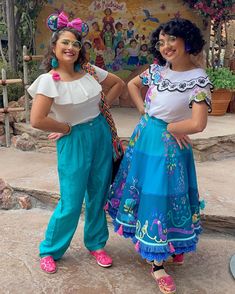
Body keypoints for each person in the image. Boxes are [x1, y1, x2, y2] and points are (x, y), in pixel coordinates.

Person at [107, 18, 212, 294]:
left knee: (166, 195)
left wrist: (175, 127)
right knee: (150, 193)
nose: (165, 46)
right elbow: (131, 85)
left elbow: (198, 124)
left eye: (171, 40)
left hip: (169, 147)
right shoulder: (157, 70)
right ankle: (157, 262)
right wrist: (143, 109)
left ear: (187, 41)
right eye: (161, 41)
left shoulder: (198, 79)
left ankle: (170, 244)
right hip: (145, 139)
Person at [27, 11, 124, 274]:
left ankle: (96, 244)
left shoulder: (90, 71)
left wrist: (103, 103)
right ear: (55, 48)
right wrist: (65, 127)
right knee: (71, 200)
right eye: (65, 43)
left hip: (100, 134)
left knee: (98, 194)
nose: (71, 48)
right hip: (74, 140)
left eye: (76, 43)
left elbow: (118, 83)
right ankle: (50, 249)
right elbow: (37, 119)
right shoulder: (48, 80)